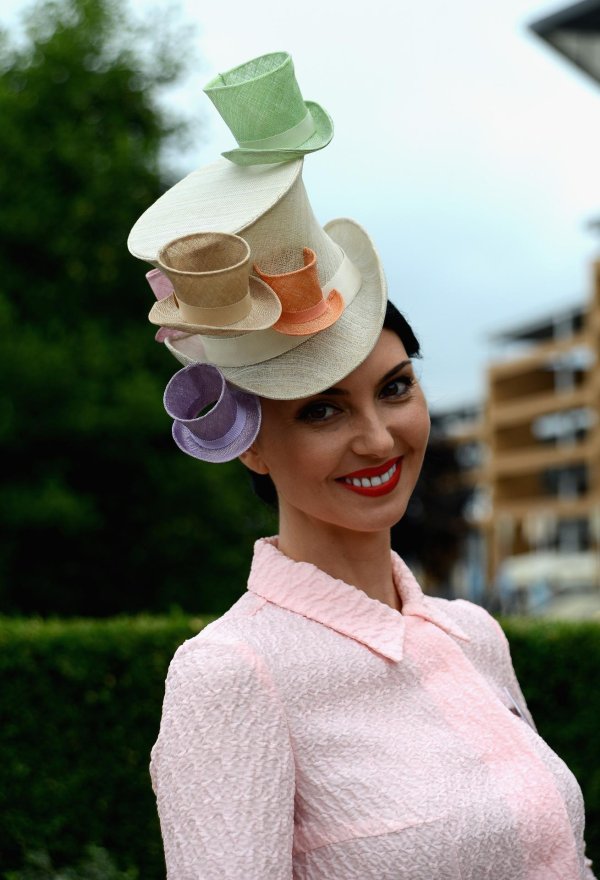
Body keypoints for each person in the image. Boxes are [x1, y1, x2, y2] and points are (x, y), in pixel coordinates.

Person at [128, 52, 596, 880]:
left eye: (396, 389)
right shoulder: (232, 675)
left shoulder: (472, 635)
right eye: (323, 409)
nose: (380, 438)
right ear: (252, 444)